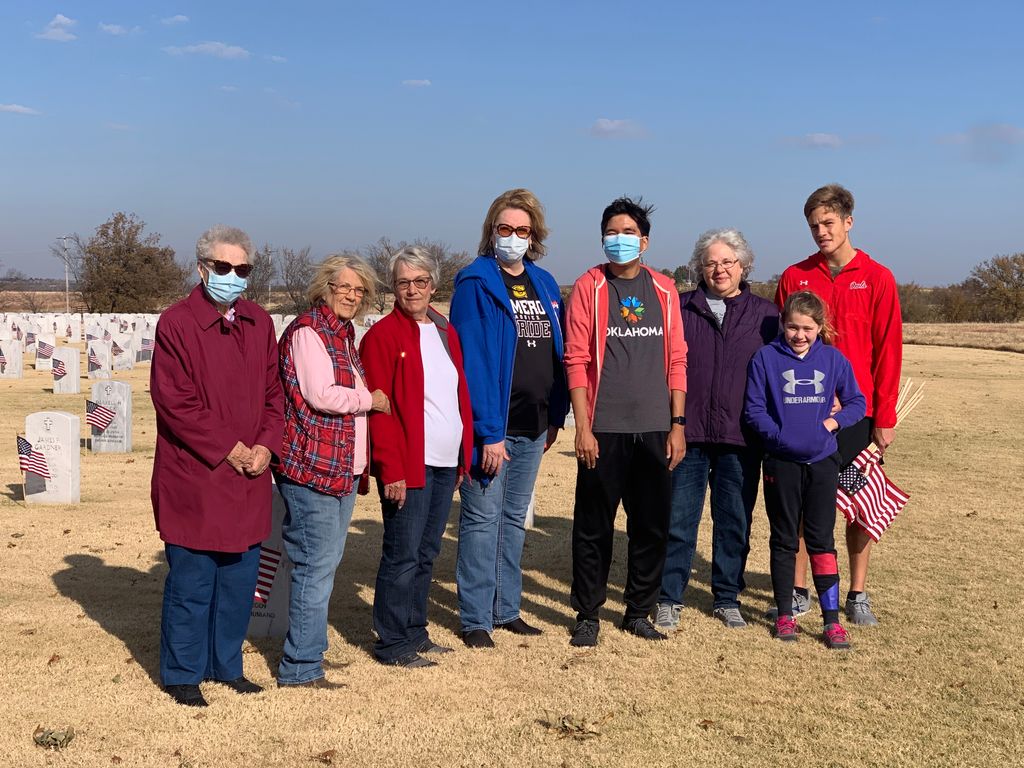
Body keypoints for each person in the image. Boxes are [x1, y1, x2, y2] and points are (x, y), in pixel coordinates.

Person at [150, 225, 284, 707]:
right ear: (202, 267)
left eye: (241, 269)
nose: (232, 276)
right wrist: (230, 449)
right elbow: (176, 403)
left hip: (250, 476)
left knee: (237, 584)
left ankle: (226, 665)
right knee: (192, 582)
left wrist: (267, 447)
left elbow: (275, 394)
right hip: (198, 477)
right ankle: (183, 671)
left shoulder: (258, 322)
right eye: (223, 267)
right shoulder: (177, 323)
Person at [775, 184, 902, 625]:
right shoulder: (795, 276)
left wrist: (883, 418)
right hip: (803, 412)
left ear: (849, 222)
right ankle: (797, 589)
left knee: (857, 499)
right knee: (805, 501)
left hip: (855, 418)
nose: (821, 232)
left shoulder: (878, 277)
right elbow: (780, 346)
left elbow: (889, 351)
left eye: (828, 223)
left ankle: (857, 592)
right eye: (813, 225)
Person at [563, 197, 687, 647]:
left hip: (656, 428)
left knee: (651, 526)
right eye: (612, 233)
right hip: (604, 428)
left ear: (645, 241)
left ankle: (639, 610)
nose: (620, 240)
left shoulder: (665, 290)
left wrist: (678, 423)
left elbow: (678, 359)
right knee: (593, 526)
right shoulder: (588, 286)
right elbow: (575, 358)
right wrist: (582, 426)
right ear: (602, 239)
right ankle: (588, 613)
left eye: (629, 233)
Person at [449, 188, 568, 649]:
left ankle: (507, 609)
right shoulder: (475, 282)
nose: (514, 237)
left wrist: (556, 414)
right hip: (493, 431)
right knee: (481, 519)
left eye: (523, 230)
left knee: (514, 518)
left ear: (534, 235)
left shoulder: (543, 283)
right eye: (505, 229)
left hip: (534, 424)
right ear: (491, 232)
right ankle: (476, 618)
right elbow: (473, 362)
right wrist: (487, 431)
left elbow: (556, 353)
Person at [654, 229, 779, 632]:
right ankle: (669, 596)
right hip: (687, 434)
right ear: (699, 267)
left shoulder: (767, 315)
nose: (719, 269)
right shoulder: (680, 307)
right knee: (678, 520)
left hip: (741, 437)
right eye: (710, 262)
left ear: (744, 266)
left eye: (728, 262)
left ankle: (726, 596)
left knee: (734, 522)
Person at [275, 254, 389, 688]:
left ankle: (309, 652)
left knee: (324, 566)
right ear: (325, 287)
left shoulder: (342, 334)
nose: (352, 296)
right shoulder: (309, 332)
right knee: (314, 567)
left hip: (340, 469)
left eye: (359, 291)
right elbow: (321, 394)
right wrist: (370, 400)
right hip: (312, 469)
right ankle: (301, 668)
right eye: (344, 287)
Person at [360, 246, 474, 668]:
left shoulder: (445, 331)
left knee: (426, 553)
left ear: (433, 284)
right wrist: (390, 468)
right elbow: (381, 410)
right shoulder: (383, 337)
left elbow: (455, 395)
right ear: (394, 287)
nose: (413, 289)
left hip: (446, 461)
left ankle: (415, 630)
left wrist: (463, 457)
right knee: (402, 553)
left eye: (420, 281)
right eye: (404, 282)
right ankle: (392, 642)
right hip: (410, 464)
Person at [744, 291, 866, 648]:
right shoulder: (765, 358)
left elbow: (857, 402)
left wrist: (832, 424)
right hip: (781, 463)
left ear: (820, 327)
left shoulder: (833, 359)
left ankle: (831, 622)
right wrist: (779, 437)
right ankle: (785, 615)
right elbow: (754, 410)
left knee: (821, 541)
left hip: (823, 463)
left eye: (807, 328)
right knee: (784, 539)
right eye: (792, 327)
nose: (799, 334)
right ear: (783, 325)